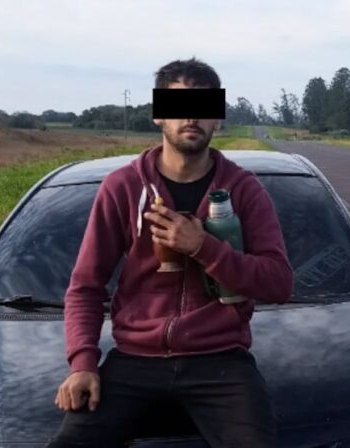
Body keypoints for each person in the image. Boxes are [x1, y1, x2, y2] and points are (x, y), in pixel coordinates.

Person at [46, 58, 294, 448]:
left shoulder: (244, 190)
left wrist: (202, 246)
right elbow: (85, 286)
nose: (191, 117)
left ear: (218, 119)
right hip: (134, 358)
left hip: (220, 358)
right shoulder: (122, 187)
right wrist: (83, 363)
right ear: (159, 115)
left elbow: (279, 283)